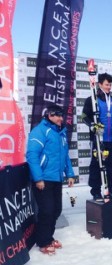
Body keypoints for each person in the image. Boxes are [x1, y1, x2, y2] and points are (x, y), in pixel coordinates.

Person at [26, 105, 75, 255]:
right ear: (50, 115)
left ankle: (48, 236)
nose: (61, 119)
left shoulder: (61, 133)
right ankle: (43, 242)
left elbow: (65, 155)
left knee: (56, 210)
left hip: (57, 178)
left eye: (62, 116)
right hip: (44, 179)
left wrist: (70, 174)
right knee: (46, 211)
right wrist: (38, 178)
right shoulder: (40, 131)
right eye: (58, 116)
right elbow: (32, 155)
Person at [82, 72, 112, 200]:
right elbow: (83, 117)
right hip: (99, 139)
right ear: (99, 84)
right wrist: (93, 125)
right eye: (106, 84)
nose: (109, 87)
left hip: (111, 139)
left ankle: (110, 190)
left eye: (110, 85)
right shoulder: (92, 99)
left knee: (111, 166)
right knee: (96, 165)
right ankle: (96, 191)